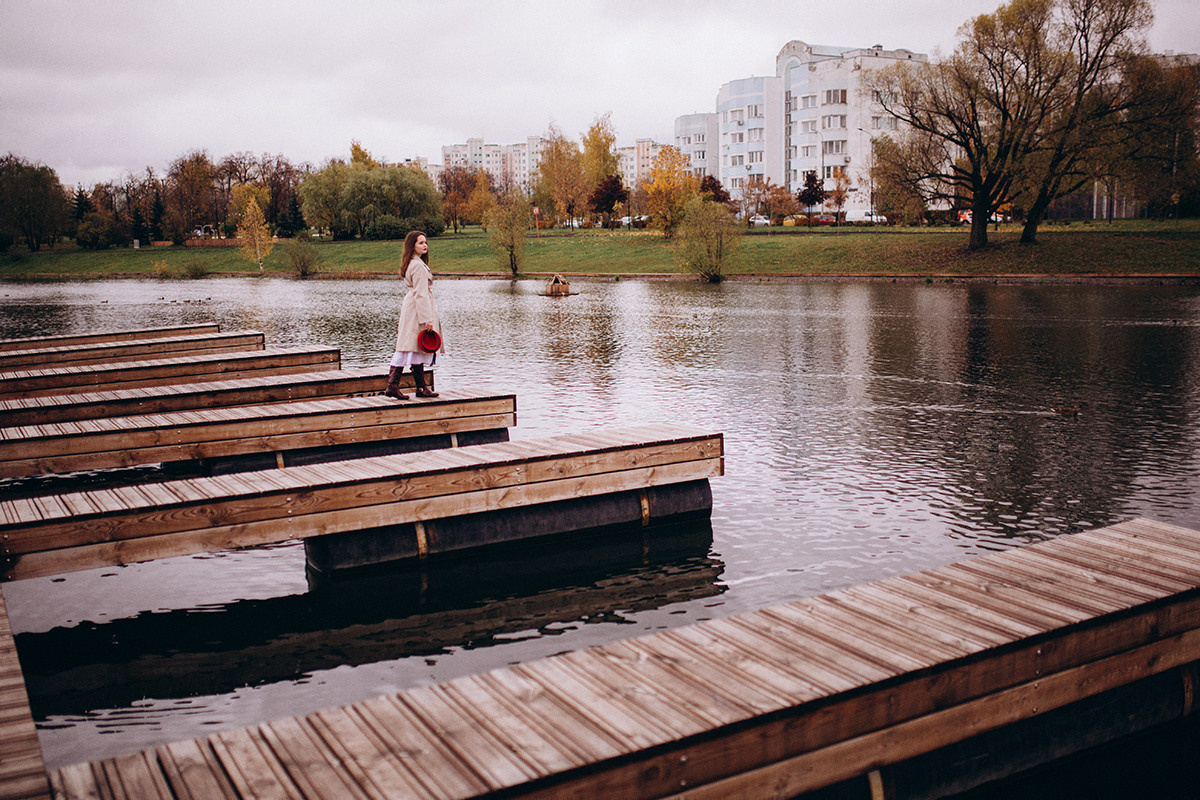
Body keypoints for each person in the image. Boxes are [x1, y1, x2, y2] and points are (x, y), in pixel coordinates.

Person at [384, 230, 442, 399]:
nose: (425, 245)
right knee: (407, 346)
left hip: (412, 307)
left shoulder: (413, 263)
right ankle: (393, 386)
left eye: (426, 242)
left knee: (414, 347)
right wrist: (427, 319)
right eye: (421, 243)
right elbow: (421, 294)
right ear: (412, 246)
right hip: (417, 310)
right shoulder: (417, 266)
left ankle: (420, 387)